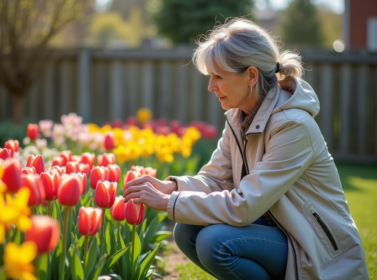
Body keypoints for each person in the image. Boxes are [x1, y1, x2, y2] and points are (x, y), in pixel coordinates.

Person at [123, 18, 368, 280]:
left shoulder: (293, 126)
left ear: (251, 76)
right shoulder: (239, 118)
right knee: (186, 231)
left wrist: (165, 202)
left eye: (218, 76)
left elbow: (244, 206)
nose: (210, 86)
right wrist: (170, 187)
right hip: (280, 231)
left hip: (314, 249)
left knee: (214, 241)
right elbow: (216, 179)